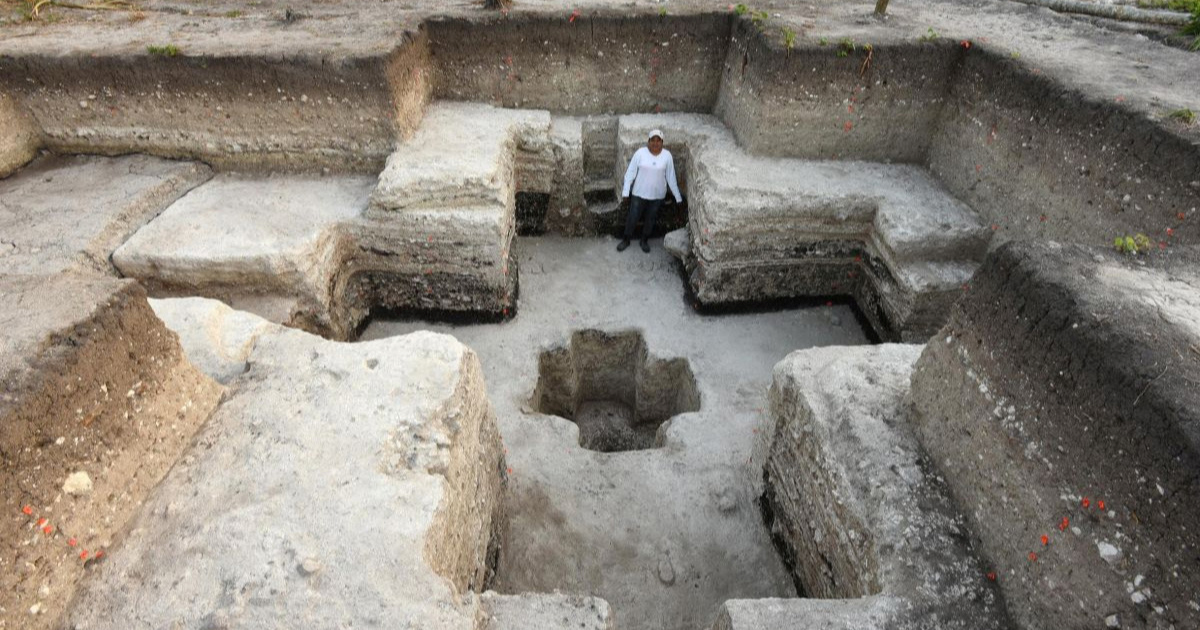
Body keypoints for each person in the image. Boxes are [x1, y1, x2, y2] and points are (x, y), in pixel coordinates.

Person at [618, 129, 683, 253]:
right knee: (633, 217)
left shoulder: (667, 156)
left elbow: (671, 177)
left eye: (658, 141)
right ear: (648, 141)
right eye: (652, 140)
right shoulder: (640, 153)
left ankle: (644, 240)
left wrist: (678, 198)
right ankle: (626, 239)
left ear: (662, 142)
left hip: (657, 196)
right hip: (638, 194)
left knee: (651, 218)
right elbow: (630, 173)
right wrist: (626, 192)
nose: (655, 143)